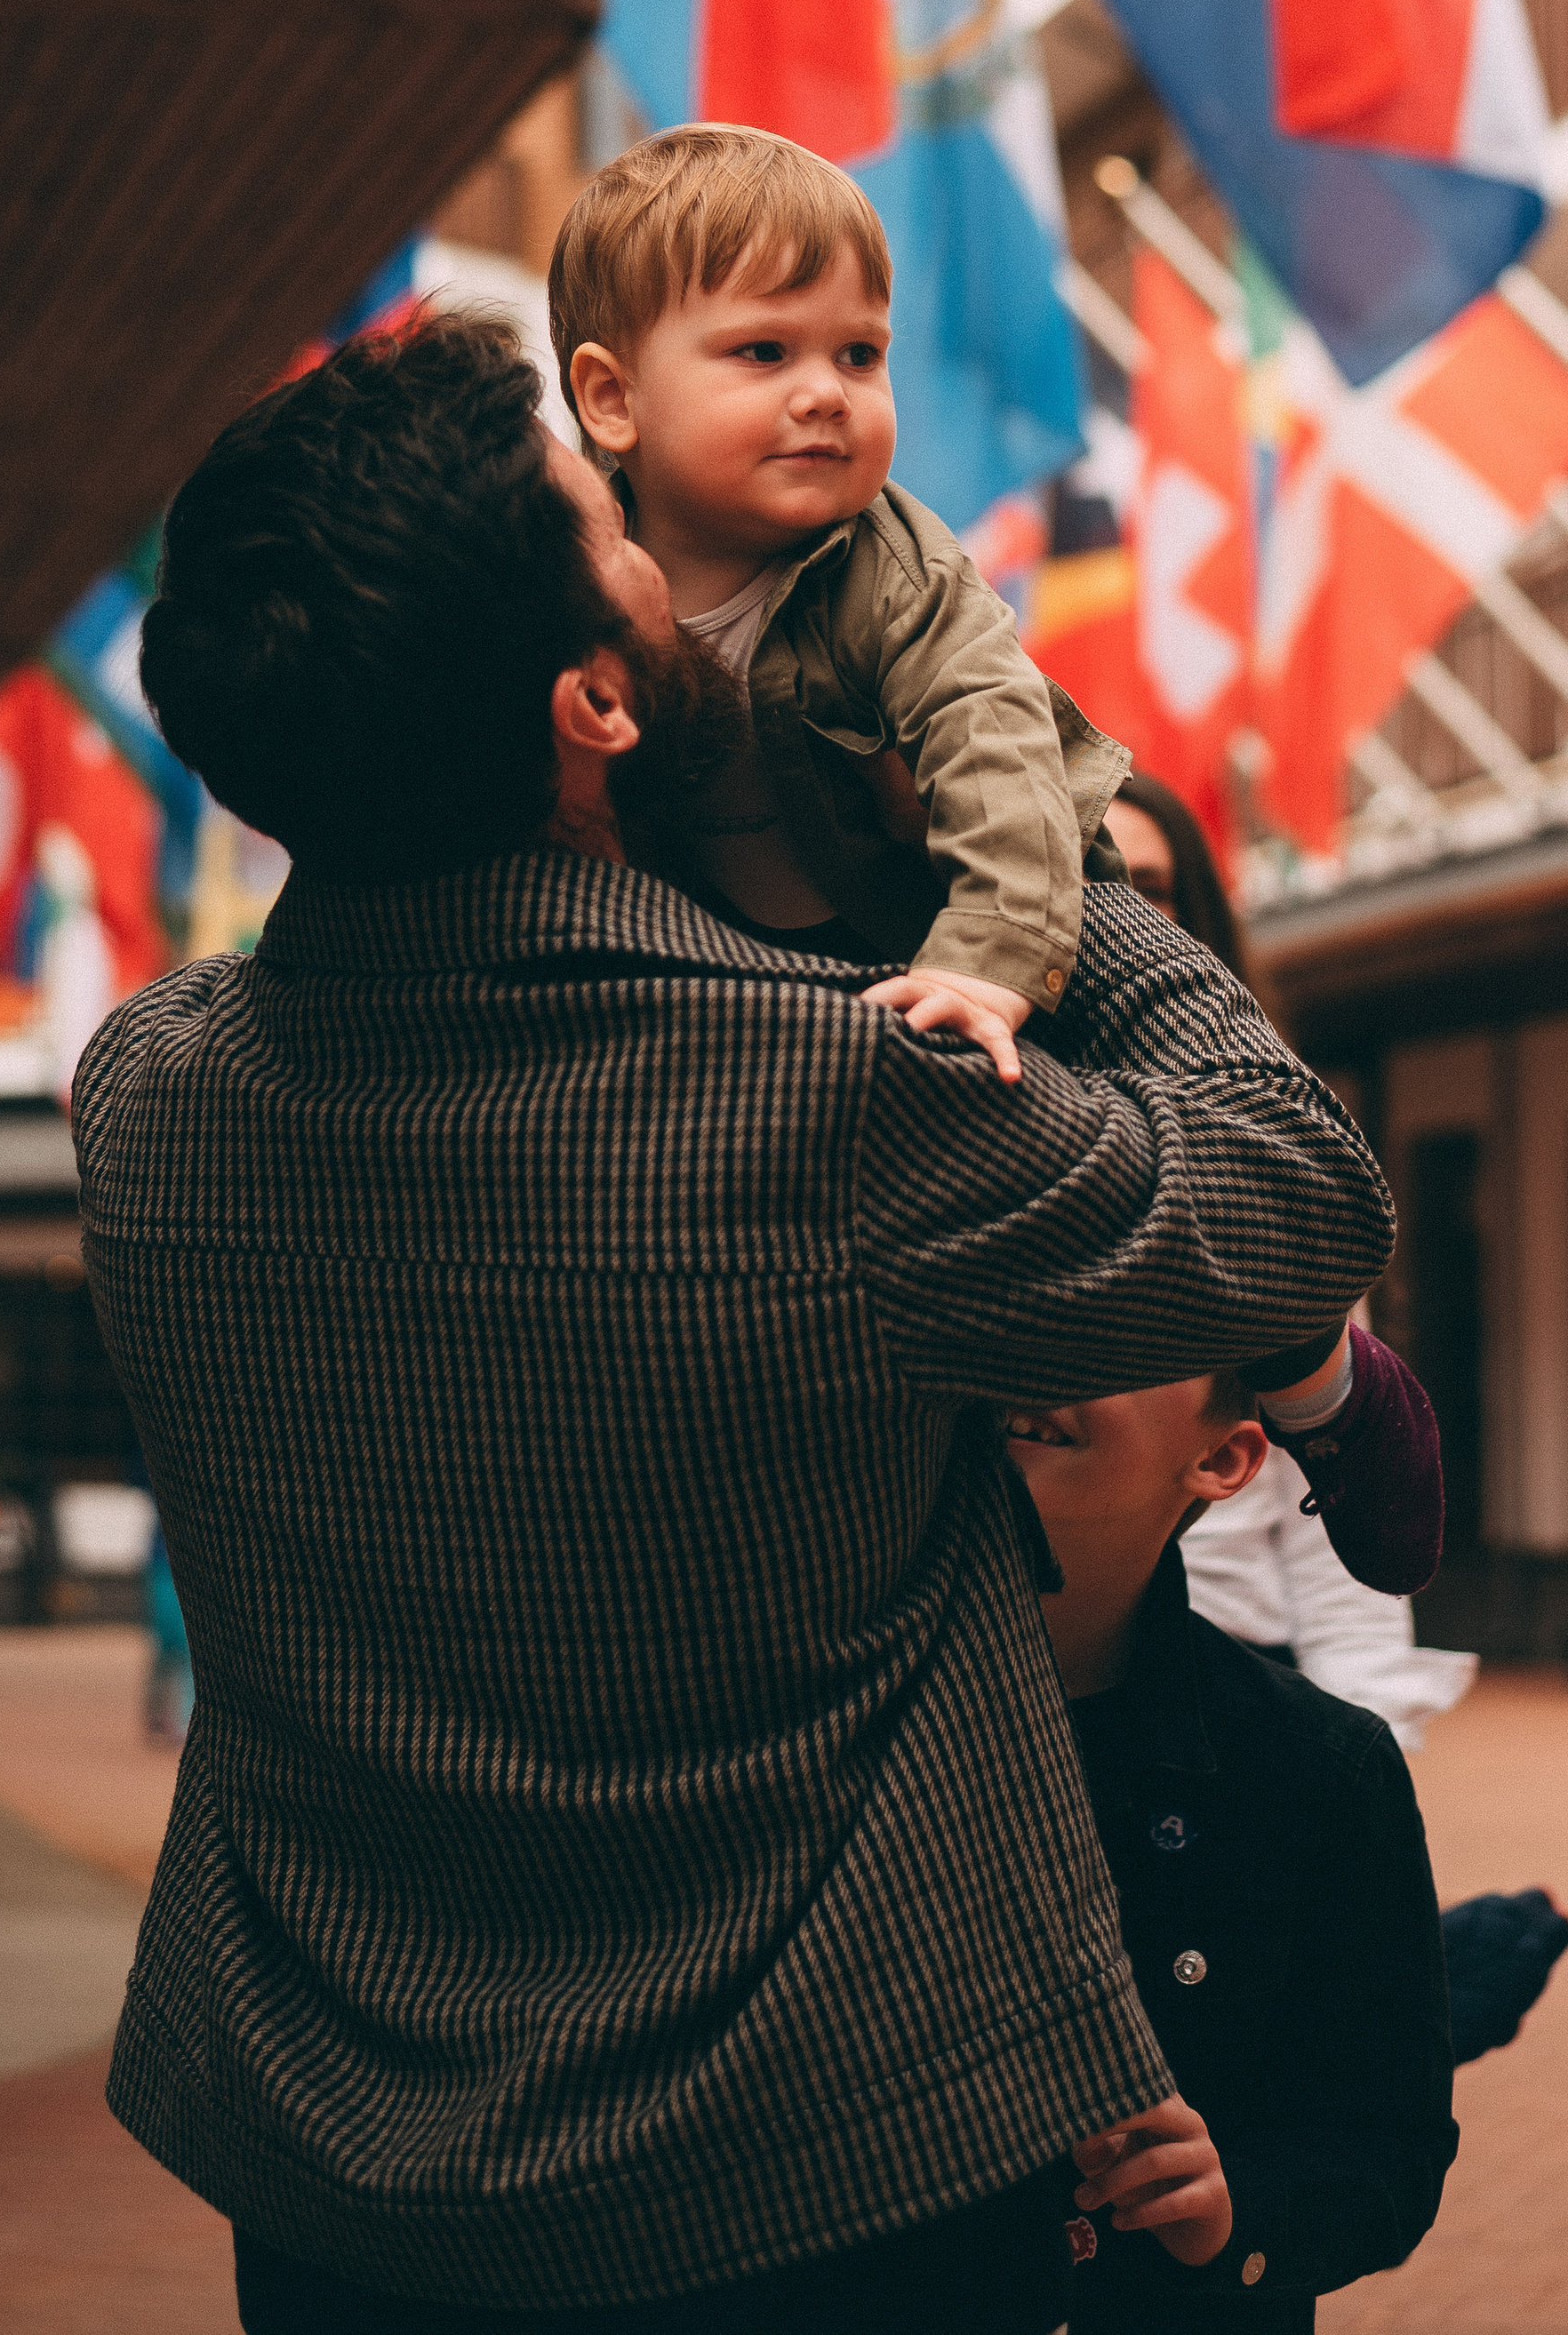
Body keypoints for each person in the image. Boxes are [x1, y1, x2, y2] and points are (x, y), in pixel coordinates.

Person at [80, 310, 1401, 2335]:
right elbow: (1294, 1191)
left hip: (335, 2175)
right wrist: (1016, 825)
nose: (648, 529)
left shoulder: (148, 1093)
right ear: (591, 702)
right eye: (599, 521)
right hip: (821, 2177)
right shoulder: (825, 1104)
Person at [551, 131, 1442, 1601]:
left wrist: (992, 960)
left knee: (1138, 1137)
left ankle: (1314, 1376)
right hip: (779, 975)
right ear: (609, 395)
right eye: (765, 348)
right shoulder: (584, 582)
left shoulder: (885, 558)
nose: (827, 391)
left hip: (988, 913)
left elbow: (997, 758)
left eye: (862, 351)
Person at [1107, 775, 1568, 2066]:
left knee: (1242, 2066)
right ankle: (1415, 2003)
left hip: (1244, 1676)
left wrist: (1368, 1761)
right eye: (1085, 872)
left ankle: (1398, 2003)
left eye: (1147, 889)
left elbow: (1337, 1492)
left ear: (1194, 922)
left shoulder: (1270, 1150)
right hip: (1040, 1675)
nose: (1112, 912)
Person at [1004, 1372, 1457, 2325]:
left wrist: (1232, 2212)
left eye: (1127, 1335)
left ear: (1227, 1460)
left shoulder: (1318, 1771)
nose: (1051, 1352)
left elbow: (1381, 2150)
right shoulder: (820, 1717)